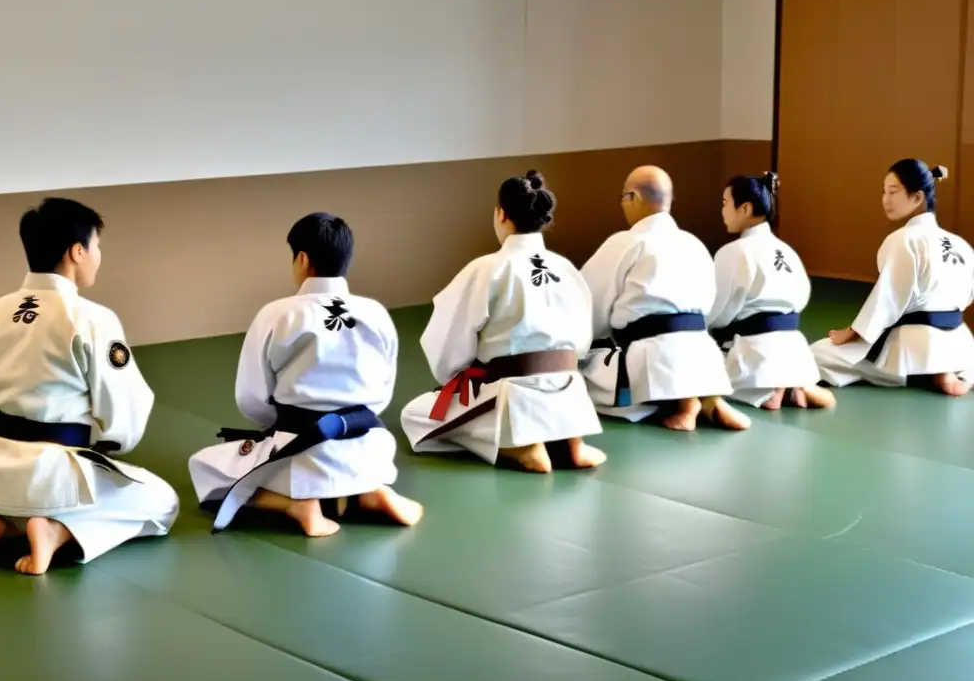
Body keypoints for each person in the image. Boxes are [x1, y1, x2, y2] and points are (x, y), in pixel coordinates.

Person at [0, 198, 178, 576]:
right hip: (54, 471)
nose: (98, 256)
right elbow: (123, 406)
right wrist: (112, 447)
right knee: (163, 503)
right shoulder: (91, 317)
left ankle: (2, 521)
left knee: (34, 489)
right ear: (77, 251)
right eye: (96, 246)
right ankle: (57, 531)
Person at [188, 213, 422, 537]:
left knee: (206, 466)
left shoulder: (276, 313)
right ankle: (367, 492)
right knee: (361, 454)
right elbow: (382, 393)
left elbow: (251, 397)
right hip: (369, 444)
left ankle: (296, 504)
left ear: (301, 258)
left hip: (299, 448)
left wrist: (277, 425)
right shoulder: (376, 313)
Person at [399, 170, 605, 473]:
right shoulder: (566, 268)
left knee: (414, 414)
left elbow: (448, 339)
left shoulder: (487, 268)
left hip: (513, 391)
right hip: (568, 386)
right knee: (555, 375)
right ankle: (571, 440)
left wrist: (455, 375)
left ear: (501, 214)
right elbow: (582, 340)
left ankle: (520, 444)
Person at [580, 165, 750, 431]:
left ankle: (680, 402)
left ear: (634, 198)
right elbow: (708, 307)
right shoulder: (695, 244)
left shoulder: (627, 242)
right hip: (704, 356)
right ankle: (704, 397)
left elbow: (588, 305)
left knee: (582, 374)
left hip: (650, 360)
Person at [811, 160, 974, 394]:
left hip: (915, 345)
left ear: (917, 198)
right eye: (884, 192)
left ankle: (926, 375)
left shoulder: (903, 239)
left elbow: (888, 301)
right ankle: (952, 369)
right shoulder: (960, 245)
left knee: (819, 353)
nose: (885, 199)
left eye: (893, 192)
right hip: (961, 343)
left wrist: (851, 332)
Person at [707, 172, 835, 410]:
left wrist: (701, 328)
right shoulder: (787, 250)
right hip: (796, 351)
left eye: (725, 203)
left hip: (756, 354)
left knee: (695, 369)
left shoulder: (733, 251)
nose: (722, 211)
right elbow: (801, 299)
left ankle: (770, 390)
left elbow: (719, 313)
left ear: (744, 208)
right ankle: (794, 385)